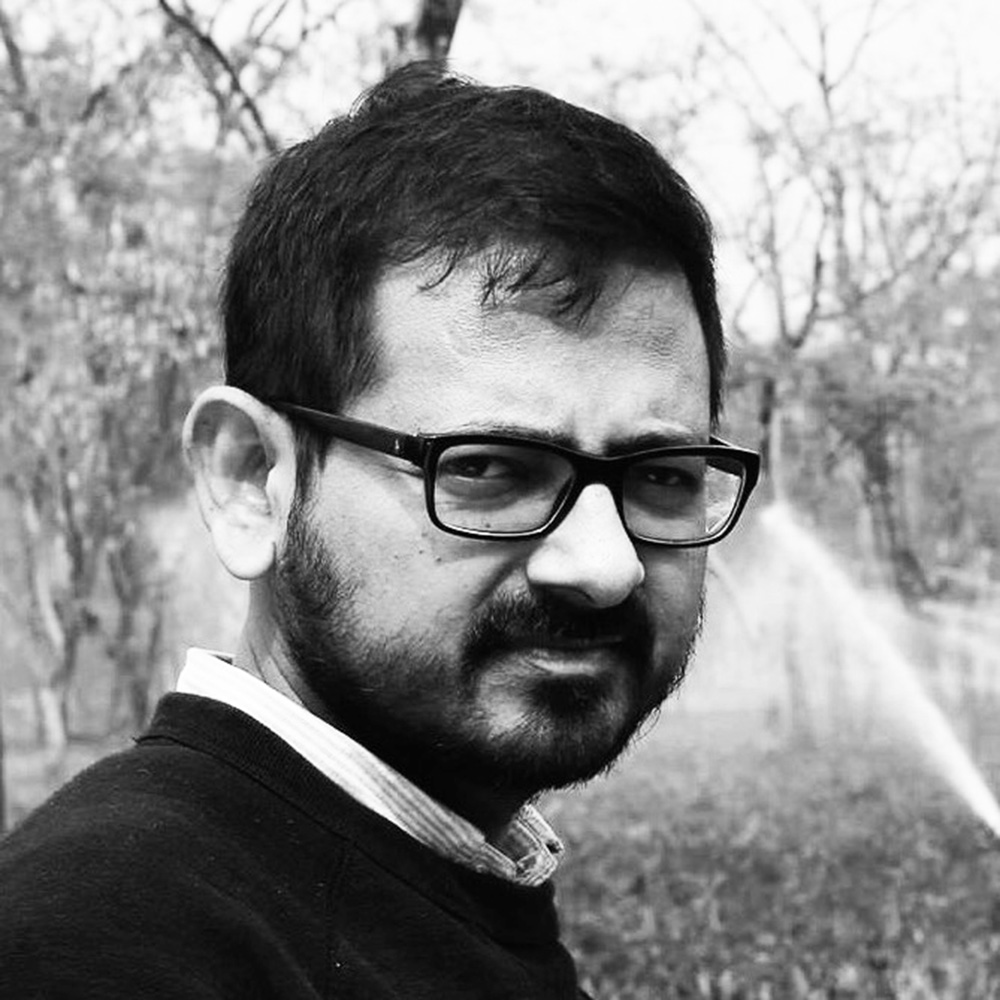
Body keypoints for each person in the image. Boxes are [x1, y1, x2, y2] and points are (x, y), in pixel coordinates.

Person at [0, 63, 759, 998]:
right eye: (488, 468)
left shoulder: (442, 879)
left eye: (661, 475)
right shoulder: (102, 943)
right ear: (251, 480)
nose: (605, 567)